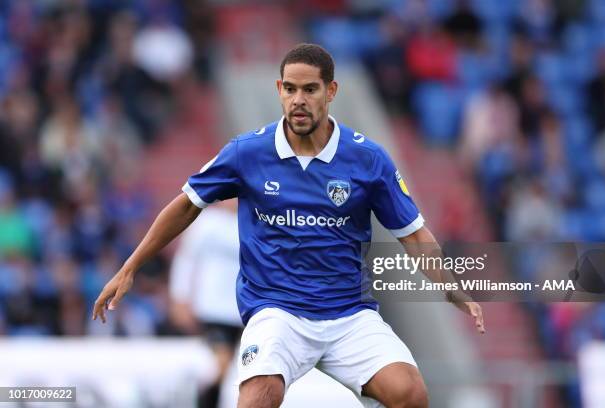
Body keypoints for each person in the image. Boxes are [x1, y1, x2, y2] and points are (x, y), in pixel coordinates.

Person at [93, 43, 485, 408]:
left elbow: (413, 236)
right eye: (291, 89)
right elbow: (185, 207)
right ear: (279, 89)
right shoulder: (248, 152)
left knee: (411, 393)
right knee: (259, 396)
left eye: (310, 89)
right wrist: (130, 268)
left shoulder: (367, 159)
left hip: (348, 314)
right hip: (276, 310)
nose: (299, 100)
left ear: (331, 92)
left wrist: (452, 289)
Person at [168, 199, 242, 407]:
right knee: (222, 361)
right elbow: (186, 259)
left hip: (243, 309)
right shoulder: (206, 222)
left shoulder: (251, 222)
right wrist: (180, 297)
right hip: (212, 308)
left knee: (236, 368)